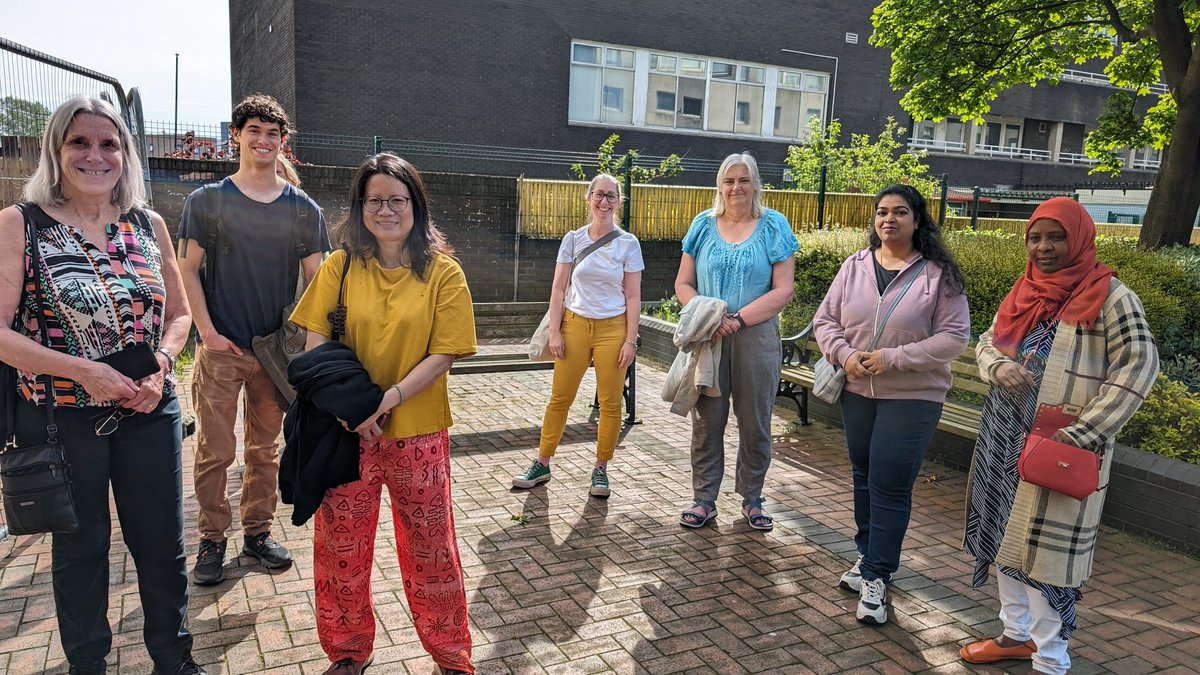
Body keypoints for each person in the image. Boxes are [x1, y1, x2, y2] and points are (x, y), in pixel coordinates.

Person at [0, 96, 204, 674]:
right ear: (55, 152)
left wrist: (164, 363)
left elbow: (180, 313)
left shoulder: (148, 222)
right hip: (62, 418)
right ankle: (87, 664)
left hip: (148, 410)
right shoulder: (21, 223)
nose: (96, 155)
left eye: (109, 143)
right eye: (79, 143)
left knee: (163, 548)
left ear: (126, 153)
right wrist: (82, 371)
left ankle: (176, 661)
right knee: (82, 550)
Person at [290, 153, 476, 675]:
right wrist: (351, 410)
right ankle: (348, 652)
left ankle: (450, 656)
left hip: (417, 431)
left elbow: (443, 354)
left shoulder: (445, 272)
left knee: (432, 550)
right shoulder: (340, 266)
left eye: (398, 199)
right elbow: (314, 342)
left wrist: (385, 400)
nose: (386, 210)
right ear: (360, 207)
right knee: (341, 549)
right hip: (344, 433)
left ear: (416, 206)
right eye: (375, 200)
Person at [960, 197, 1158, 674]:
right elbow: (989, 341)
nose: (1044, 247)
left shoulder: (1110, 295)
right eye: (1036, 237)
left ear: (1080, 238)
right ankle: (1014, 636)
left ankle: (1051, 659)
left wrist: (1084, 432)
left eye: (1056, 237)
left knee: (1046, 553)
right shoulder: (1025, 289)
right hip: (1005, 433)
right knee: (1003, 531)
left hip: (1061, 446)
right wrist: (998, 365)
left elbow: (1140, 365)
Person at [177, 94, 328, 585]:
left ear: (282, 142)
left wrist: (306, 342)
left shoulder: (302, 208)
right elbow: (187, 270)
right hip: (222, 350)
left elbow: (319, 281)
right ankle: (211, 540)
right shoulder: (208, 202)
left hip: (274, 352)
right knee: (215, 452)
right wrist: (206, 332)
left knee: (264, 450)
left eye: (272, 133)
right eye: (254, 131)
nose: (263, 140)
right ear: (236, 136)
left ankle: (257, 534)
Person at [813, 184, 970, 626]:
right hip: (857, 392)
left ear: (918, 220)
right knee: (864, 476)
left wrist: (892, 359)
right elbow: (825, 320)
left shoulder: (939, 275)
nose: (889, 219)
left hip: (913, 396)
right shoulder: (854, 266)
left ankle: (878, 575)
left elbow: (954, 337)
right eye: (881, 212)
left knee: (889, 481)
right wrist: (845, 356)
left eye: (900, 212)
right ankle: (868, 558)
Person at [674, 153, 799, 531]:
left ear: (756, 183)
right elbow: (683, 283)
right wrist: (709, 317)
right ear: (719, 186)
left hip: (755, 337)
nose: (736, 187)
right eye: (729, 181)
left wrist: (739, 319)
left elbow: (784, 290)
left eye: (744, 180)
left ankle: (752, 498)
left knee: (755, 422)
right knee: (706, 421)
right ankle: (704, 499)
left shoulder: (774, 225)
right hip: (709, 337)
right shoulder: (703, 225)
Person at [511, 174, 644, 497]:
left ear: (619, 202)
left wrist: (630, 339)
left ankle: (601, 469)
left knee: (611, 403)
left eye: (611, 196)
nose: (604, 202)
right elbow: (558, 288)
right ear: (588, 199)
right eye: (599, 195)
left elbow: (633, 296)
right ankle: (542, 462)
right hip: (574, 325)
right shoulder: (573, 239)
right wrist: (555, 331)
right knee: (560, 399)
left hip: (613, 329)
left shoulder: (628, 243)